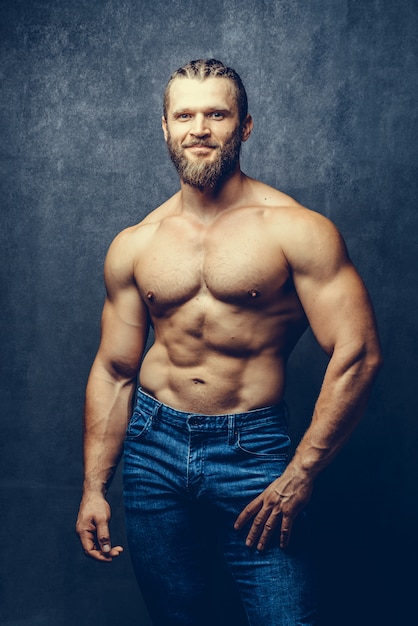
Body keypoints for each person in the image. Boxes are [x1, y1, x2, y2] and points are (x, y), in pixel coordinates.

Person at [76, 59, 382, 625]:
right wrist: (95, 486)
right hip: (152, 448)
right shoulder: (136, 243)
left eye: (216, 113)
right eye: (185, 115)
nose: (200, 128)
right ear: (164, 127)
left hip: (253, 452)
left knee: (286, 617)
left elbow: (358, 354)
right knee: (178, 617)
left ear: (244, 126)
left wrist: (300, 474)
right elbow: (115, 369)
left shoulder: (296, 229)